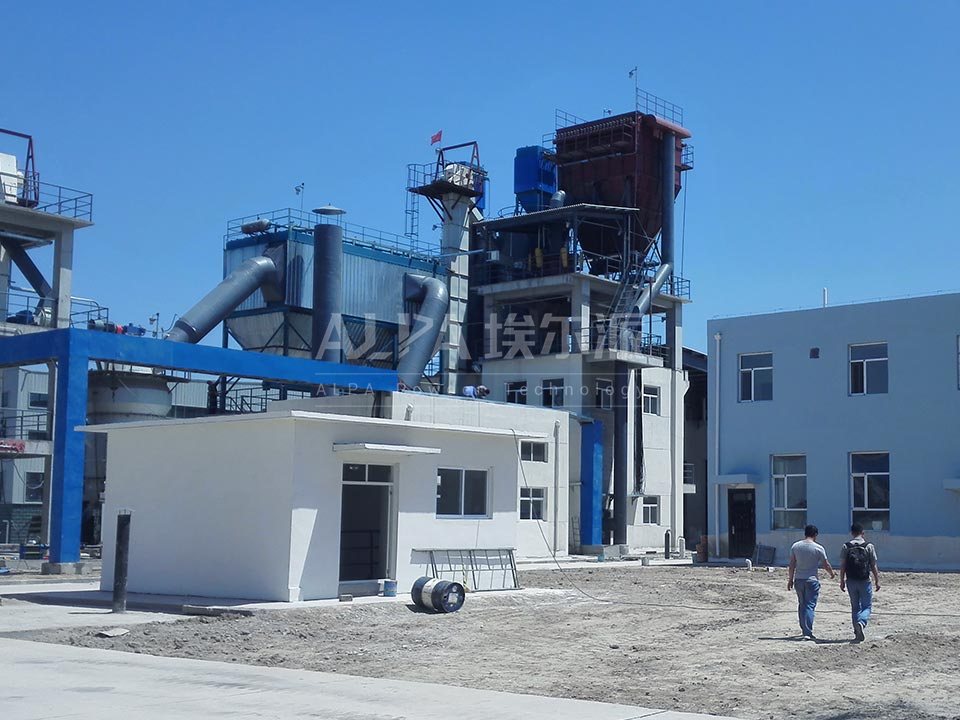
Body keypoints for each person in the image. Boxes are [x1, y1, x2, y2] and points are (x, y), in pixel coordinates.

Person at [787, 524, 835, 640]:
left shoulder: (796, 546)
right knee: (810, 606)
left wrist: (790, 579)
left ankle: (804, 628)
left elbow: (792, 565)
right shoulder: (818, 548)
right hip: (812, 580)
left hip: (799, 579)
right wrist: (832, 573)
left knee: (802, 605)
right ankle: (808, 632)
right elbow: (826, 564)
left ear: (805, 533)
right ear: (816, 535)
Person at [840, 522, 881, 642]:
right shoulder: (869, 546)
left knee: (855, 607)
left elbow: (842, 565)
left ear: (852, 533)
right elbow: (873, 565)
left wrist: (842, 580)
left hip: (851, 580)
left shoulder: (846, 546)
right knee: (867, 606)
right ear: (863, 533)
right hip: (864, 580)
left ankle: (856, 632)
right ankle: (862, 623)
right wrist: (877, 580)